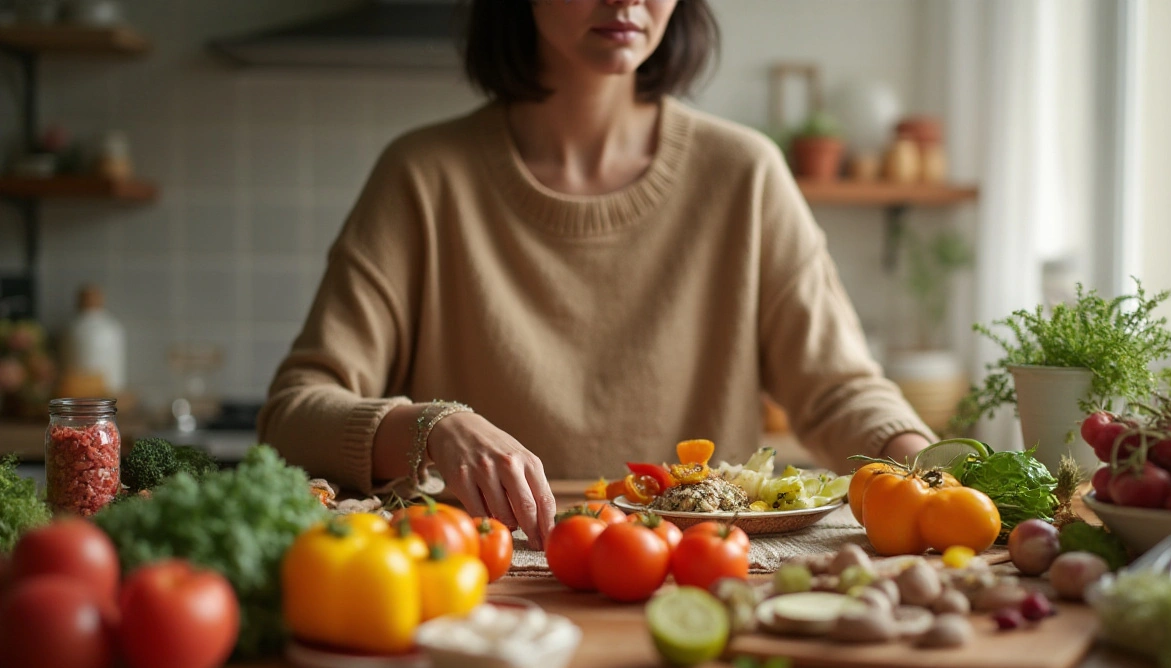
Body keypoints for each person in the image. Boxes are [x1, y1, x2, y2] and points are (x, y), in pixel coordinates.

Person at [259, 0, 935, 551]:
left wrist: (937, 471)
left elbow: (840, 390)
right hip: (484, 581)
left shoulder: (746, 174)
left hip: (703, 570)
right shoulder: (422, 177)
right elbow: (292, 413)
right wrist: (431, 426)